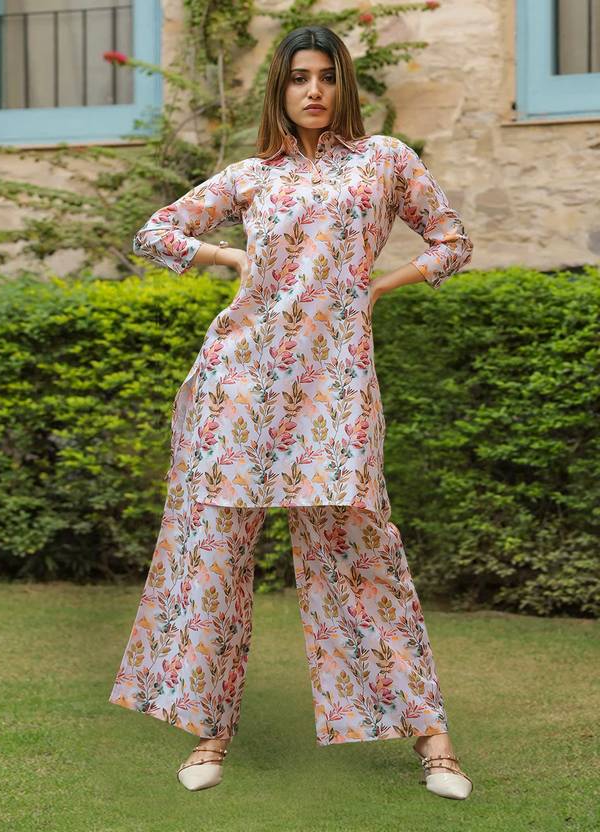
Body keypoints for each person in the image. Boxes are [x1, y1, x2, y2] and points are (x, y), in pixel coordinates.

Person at [108, 24, 474, 800]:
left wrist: (378, 286)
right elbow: (154, 232)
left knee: (362, 550)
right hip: (241, 385)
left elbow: (451, 241)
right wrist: (229, 256)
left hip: (335, 390)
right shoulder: (251, 176)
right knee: (218, 554)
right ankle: (210, 731)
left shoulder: (384, 161)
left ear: (345, 85)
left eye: (327, 77)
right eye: (300, 77)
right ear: (279, 88)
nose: (314, 91)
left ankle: (432, 739)